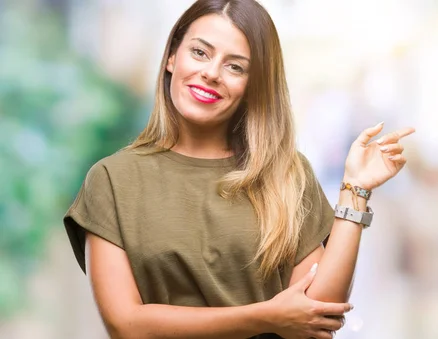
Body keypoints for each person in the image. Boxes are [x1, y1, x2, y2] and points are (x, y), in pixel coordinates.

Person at [63, 1, 414, 338]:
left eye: (235, 66)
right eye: (199, 52)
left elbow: (319, 313)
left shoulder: (287, 175)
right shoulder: (112, 180)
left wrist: (355, 189)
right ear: (172, 56)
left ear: (252, 86)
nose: (211, 73)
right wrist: (266, 317)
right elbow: (126, 325)